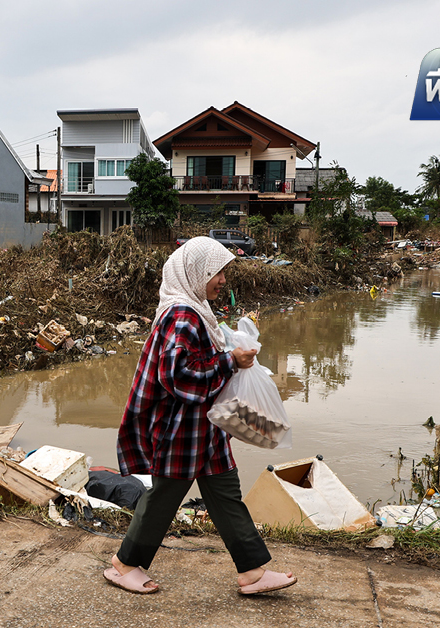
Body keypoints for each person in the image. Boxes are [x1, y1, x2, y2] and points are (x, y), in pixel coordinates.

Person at [103, 236, 297, 596]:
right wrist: (230, 361)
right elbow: (177, 375)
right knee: (164, 496)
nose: (222, 280)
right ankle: (124, 564)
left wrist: (229, 353)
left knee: (225, 494)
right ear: (195, 273)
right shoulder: (183, 316)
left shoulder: (195, 310)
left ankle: (252, 571)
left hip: (204, 426)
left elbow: (194, 361)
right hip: (182, 429)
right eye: (216, 272)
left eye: (224, 272)